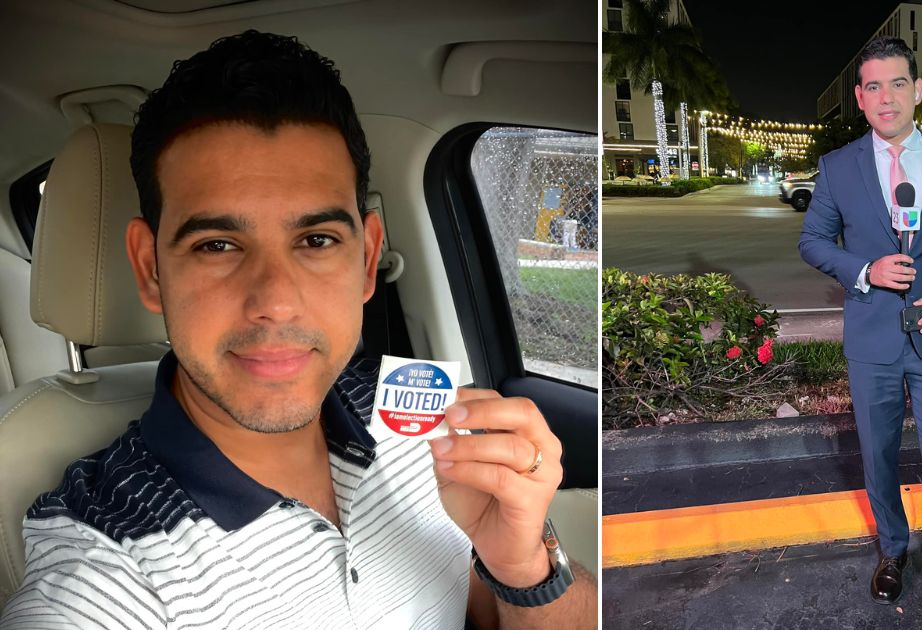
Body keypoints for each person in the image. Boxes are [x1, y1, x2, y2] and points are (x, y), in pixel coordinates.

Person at [0, 31, 594, 629]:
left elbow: (492, 614)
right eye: (217, 244)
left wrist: (523, 570)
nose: (276, 304)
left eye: (315, 240)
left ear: (366, 262)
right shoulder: (105, 566)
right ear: (151, 269)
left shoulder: (416, 414)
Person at [798, 37, 922, 630]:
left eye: (898, 84)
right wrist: (865, 270)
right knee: (880, 458)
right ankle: (891, 551)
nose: (887, 97)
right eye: (875, 87)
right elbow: (812, 241)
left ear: (919, 90)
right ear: (860, 98)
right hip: (872, 342)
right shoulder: (837, 168)